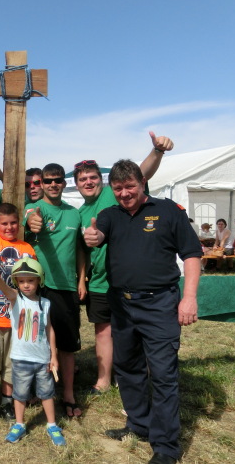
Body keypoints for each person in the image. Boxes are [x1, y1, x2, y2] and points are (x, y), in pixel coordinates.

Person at [84, 159, 202, 464]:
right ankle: (139, 424)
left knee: (163, 374)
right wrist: (93, 237)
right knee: (128, 368)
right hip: (121, 305)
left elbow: (191, 255)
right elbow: (99, 235)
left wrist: (189, 298)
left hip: (160, 304)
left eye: (130, 187)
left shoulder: (169, 212)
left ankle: (165, 447)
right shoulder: (111, 215)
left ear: (143, 183)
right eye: (118, 188)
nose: (124, 193)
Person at [74, 131, 170, 395]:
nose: (88, 182)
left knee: (132, 330)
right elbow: (82, 251)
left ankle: (134, 375)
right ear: (77, 184)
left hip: (128, 280)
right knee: (103, 332)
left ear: (102, 181)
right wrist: (82, 279)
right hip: (100, 281)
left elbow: (141, 173)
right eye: (82, 179)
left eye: (93, 177)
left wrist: (157, 151)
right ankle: (104, 379)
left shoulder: (113, 195)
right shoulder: (79, 213)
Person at [24, 163, 86, 418]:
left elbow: (81, 250)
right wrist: (32, 222)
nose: (52, 185)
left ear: (64, 182)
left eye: (57, 180)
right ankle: (38, 389)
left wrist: (82, 279)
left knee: (67, 345)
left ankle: (68, 394)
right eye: (46, 181)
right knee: (35, 341)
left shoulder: (75, 214)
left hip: (67, 287)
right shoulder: (33, 207)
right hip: (38, 287)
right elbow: (30, 220)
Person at [0, 256, 65, 446]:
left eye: (30, 280)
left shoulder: (45, 303)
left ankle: (52, 425)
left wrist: (53, 356)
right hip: (21, 359)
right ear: (16, 283)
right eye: (21, 281)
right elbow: (6, 289)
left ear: (39, 280)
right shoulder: (16, 299)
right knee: (20, 394)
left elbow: (49, 329)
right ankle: (20, 424)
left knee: (47, 393)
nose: (26, 285)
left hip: (43, 359)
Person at [0, 203, 36, 426]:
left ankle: (8, 401)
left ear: (18, 223)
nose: (9, 227)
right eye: (4, 224)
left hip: (17, 317)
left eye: (13, 223)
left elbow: (32, 281)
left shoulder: (27, 248)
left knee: (12, 363)